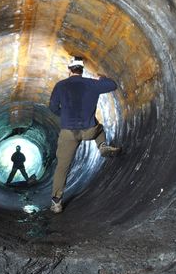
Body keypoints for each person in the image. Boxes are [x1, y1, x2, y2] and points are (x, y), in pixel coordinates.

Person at [48, 56, 121, 213]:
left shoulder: (61, 85)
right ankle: (101, 145)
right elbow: (112, 85)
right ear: (82, 70)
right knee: (99, 128)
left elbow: (53, 107)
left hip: (68, 133)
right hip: (89, 131)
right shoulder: (92, 84)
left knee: (62, 168)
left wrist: (65, 114)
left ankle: (56, 203)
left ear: (70, 70)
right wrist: (101, 77)